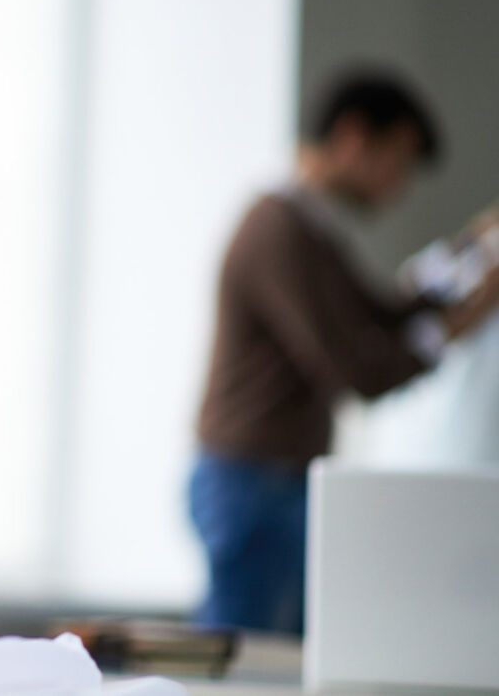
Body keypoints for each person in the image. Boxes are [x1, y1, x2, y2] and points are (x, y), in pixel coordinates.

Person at [190, 70, 499, 634]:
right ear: (354, 137)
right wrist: (463, 321)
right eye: (397, 162)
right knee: (242, 669)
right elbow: (358, 368)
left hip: (272, 483)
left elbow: (385, 310)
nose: (399, 185)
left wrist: (468, 250)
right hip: (254, 486)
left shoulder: (306, 227)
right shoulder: (279, 231)